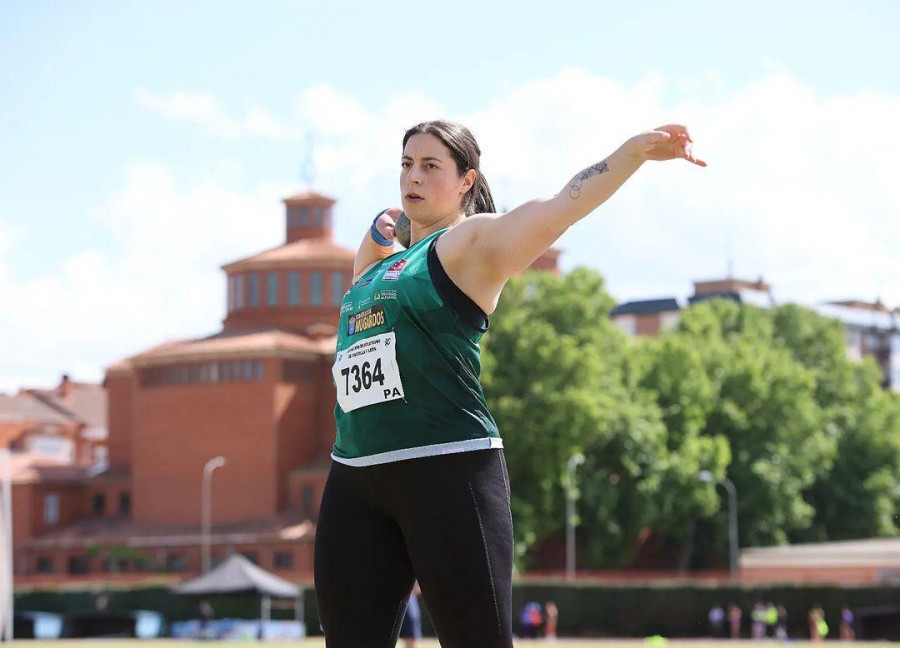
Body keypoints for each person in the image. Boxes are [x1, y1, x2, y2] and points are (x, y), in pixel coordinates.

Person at [313, 119, 705, 647]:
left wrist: (632, 153)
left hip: (446, 469)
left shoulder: (470, 245)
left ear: (466, 182)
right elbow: (372, 267)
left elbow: (561, 205)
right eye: (407, 164)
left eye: (432, 166)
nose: (414, 175)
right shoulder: (379, 268)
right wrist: (380, 232)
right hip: (355, 476)